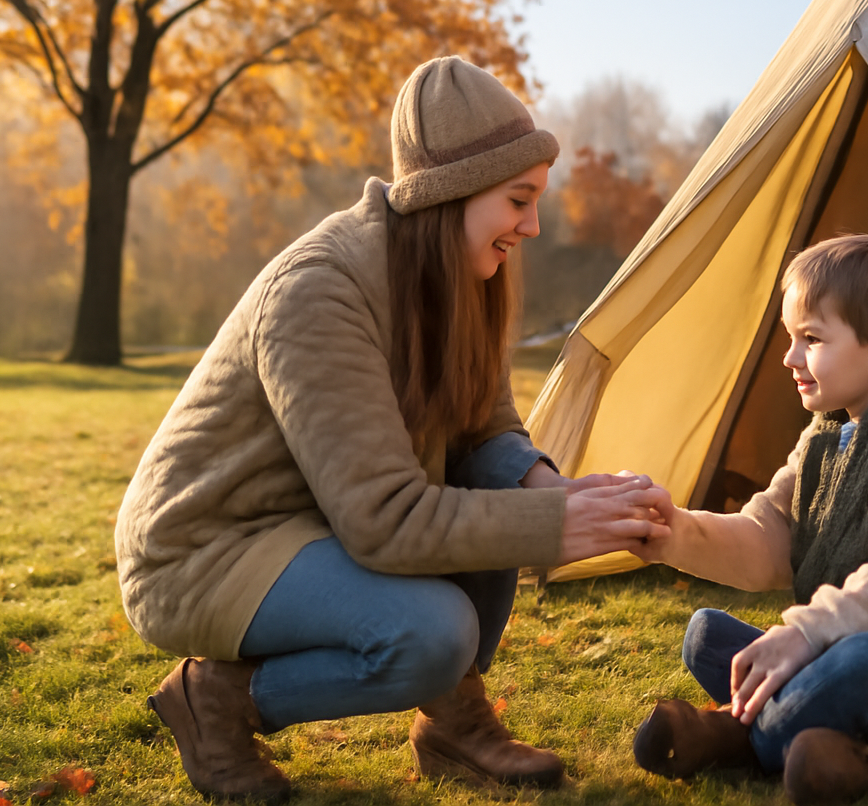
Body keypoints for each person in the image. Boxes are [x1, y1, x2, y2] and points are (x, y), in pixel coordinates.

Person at [114, 56, 668, 803]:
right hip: (208, 547)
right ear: (453, 193)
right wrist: (555, 524)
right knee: (429, 634)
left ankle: (454, 723)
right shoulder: (319, 289)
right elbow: (384, 521)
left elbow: (484, 430)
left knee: (503, 487)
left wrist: (551, 488)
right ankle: (215, 701)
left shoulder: (457, 276)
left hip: (317, 521)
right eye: (518, 200)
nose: (532, 226)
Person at [629, 233, 868, 805]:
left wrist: (802, 634)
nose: (790, 357)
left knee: (867, 655)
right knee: (706, 634)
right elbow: (766, 539)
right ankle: (826, 750)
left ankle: (734, 737)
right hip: (834, 656)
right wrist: (672, 532)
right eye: (791, 338)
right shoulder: (826, 438)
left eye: (811, 339)